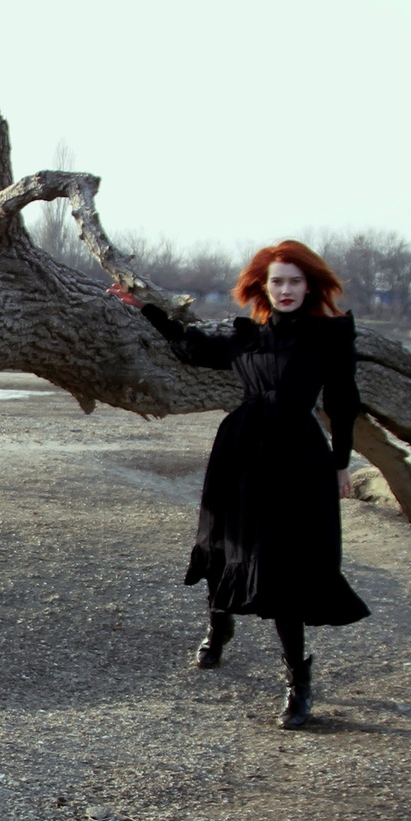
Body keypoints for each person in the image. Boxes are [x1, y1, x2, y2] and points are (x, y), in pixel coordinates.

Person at [135, 241, 370, 728]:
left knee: (285, 562)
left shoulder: (328, 337)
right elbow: (192, 349)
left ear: (309, 286)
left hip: (298, 458)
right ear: (263, 287)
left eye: (295, 281)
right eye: (277, 281)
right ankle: (219, 627)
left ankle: (298, 679)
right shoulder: (248, 337)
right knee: (224, 542)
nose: (286, 290)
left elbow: (343, 403)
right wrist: (145, 309)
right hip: (241, 452)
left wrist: (341, 464)